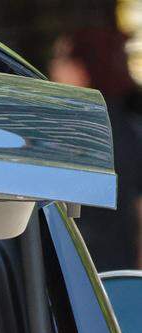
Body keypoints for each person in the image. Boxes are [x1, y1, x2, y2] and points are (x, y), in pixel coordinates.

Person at [49, 26, 142, 271]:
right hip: (117, 268)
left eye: (62, 57)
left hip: (75, 268)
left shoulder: (71, 127)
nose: (53, 67)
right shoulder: (126, 126)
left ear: (84, 68)